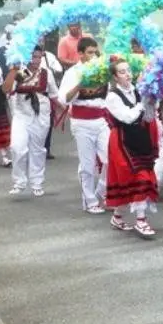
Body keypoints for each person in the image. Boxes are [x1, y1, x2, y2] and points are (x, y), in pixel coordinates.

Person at [105, 58, 160, 238]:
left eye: (128, 70)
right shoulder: (112, 96)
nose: (127, 74)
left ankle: (118, 216)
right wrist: (142, 103)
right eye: (122, 72)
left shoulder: (137, 90)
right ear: (114, 77)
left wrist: (153, 99)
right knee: (138, 178)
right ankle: (141, 220)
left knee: (140, 176)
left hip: (140, 137)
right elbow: (127, 117)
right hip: (122, 141)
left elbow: (150, 115)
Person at [58, 37, 109, 214]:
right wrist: (80, 84)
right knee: (87, 165)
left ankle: (101, 192)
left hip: (102, 121)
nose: (93, 56)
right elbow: (64, 98)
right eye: (89, 52)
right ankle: (89, 200)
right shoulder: (73, 72)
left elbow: (108, 95)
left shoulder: (102, 71)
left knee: (111, 159)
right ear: (80, 54)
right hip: (82, 123)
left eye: (95, 52)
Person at [3, 46, 61, 197]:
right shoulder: (19, 71)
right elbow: (6, 89)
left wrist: (67, 109)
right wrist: (13, 70)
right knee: (17, 147)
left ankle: (36, 182)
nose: (36, 60)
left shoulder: (45, 73)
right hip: (22, 114)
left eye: (39, 57)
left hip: (41, 114)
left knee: (37, 150)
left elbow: (54, 94)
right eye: (33, 57)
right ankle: (19, 181)